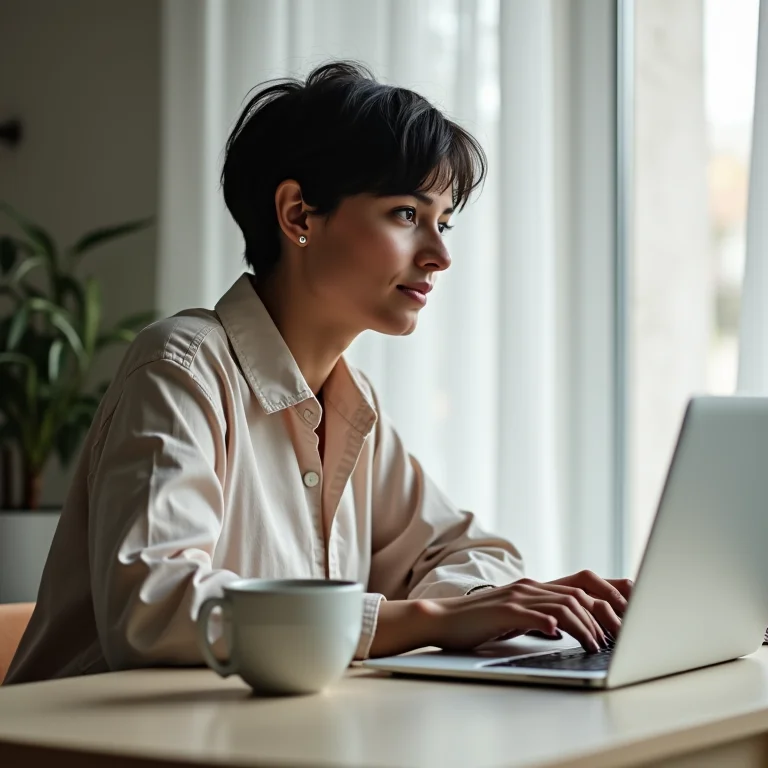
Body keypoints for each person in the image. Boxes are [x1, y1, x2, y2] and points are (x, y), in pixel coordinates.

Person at [4, 61, 632, 685]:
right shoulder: (181, 369)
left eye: (443, 222)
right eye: (406, 214)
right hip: (85, 736)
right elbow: (156, 608)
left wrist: (478, 609)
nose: (440, 255)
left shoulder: (351, 401)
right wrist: (434, 618)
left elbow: (470, 552)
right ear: (299, 214)